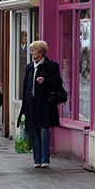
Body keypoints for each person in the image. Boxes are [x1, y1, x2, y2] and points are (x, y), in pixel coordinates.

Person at [18, 40, 62, 169]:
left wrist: (45, 81)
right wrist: (24, 106)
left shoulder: (51, 65)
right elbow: (25, 86)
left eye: (33, 50)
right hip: (31, 104)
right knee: (34, 131)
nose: (31, 53)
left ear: (41, 52)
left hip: (45, 104)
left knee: (44, 131)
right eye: (31, 50)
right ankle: (36, 159)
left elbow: (57, 83)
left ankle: (45, 159)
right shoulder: (30, 67)